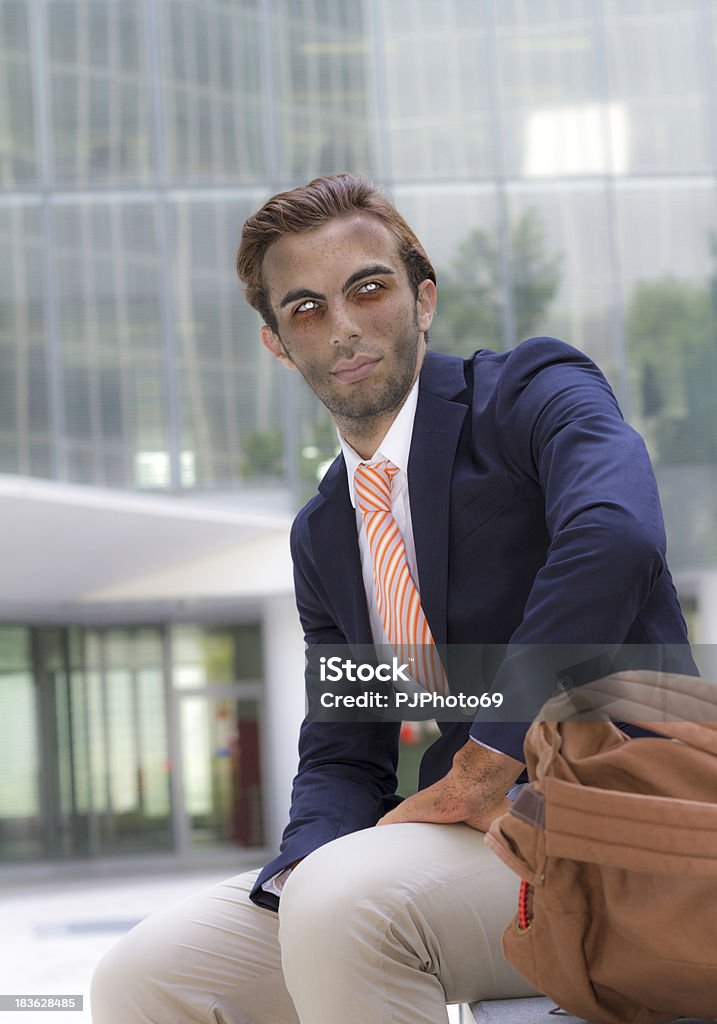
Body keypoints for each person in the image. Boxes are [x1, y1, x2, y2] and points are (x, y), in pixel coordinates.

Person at [91, 174, 697, 1024]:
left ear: (423, 299)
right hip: (475, 850)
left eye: (366, 289)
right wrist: (300, 866)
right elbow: (345, 752)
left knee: (349, 905)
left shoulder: (532, 394)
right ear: (276, 343)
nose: (340, 328)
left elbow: (616, 537)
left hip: (623, 828)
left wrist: (488, 760)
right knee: (148, 977)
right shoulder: (327, 533)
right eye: (304, 308)